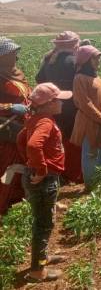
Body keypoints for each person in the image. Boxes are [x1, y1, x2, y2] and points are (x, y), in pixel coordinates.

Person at [16, 83, 72, 283]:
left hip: (41, 177)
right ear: (49, 104)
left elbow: (21, 138)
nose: (62, 103)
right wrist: (40, 169)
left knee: (44, 220)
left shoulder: (36, 119)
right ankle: (37, 271)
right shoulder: (45, 122)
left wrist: (30, 162)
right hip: (44, 180)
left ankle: (43, 257)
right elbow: (32, 144)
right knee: (44, 223)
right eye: (58, 100)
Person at [35, 31, 83, 184]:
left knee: (57, 137)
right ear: (73, 44)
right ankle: (71, 173)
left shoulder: (49, 59)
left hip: (52, 104)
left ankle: (58, 171)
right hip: (70, 104)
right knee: (72, 139)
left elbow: (39, 79)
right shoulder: (74, 61)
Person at [70, 45, 101, 190]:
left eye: (98, 58)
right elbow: (84, 103)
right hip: (89, 121)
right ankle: (91, 186)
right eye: (95, 58)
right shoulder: (80, 78)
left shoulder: (95, 76)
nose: (98, 61)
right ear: (86, 60)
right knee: (91, 153)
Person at [0, 36, 31, 215]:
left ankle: (16, 199)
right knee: (7, 166)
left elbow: (26, 91)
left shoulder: (16, 72)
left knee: (22, 163)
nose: (16, 57)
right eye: (12, 54)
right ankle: (3, 203)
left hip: (22, 125)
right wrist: (11, 107)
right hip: (7, 129)